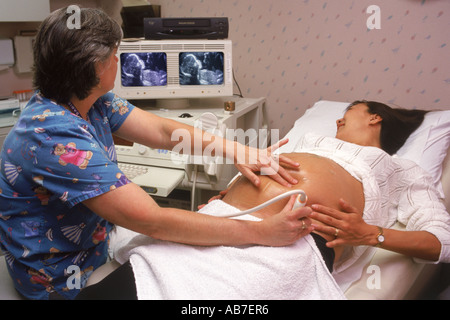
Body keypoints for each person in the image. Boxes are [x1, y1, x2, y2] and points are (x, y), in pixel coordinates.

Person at [0, 7, 311, 300]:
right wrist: (262, 232)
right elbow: (154, 221)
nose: (119, 61)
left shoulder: (93, 101)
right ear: (91, 67)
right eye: (113, 56)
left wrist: (239, 151)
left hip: (97, 243)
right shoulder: (51, 136)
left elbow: (164, 133)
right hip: (59, 276)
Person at [75, 100, 450, 300]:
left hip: (291, 243)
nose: (335, 123)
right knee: (119, 289)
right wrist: (226, 194)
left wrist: (371, 234)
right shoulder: (310, 142)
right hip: (221, 222)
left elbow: (441, 242)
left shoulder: (402, 170)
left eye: (345, 116)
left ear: (375, 118)